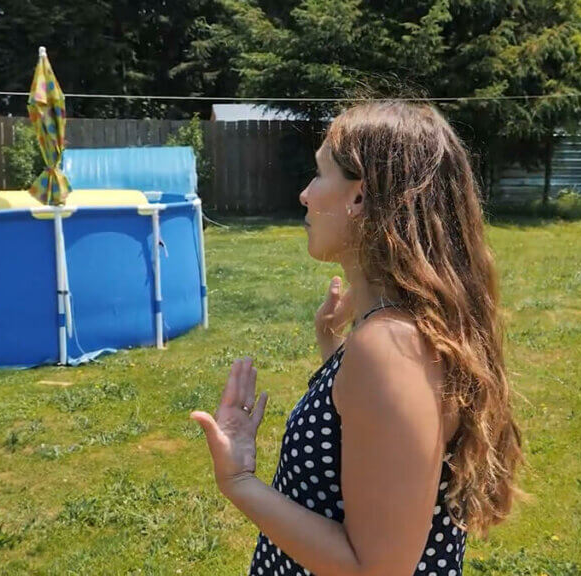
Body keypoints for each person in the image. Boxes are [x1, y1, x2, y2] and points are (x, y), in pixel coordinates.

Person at [191, 101, 523, 576]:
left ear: (361, 197)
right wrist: (333, 347)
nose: (305, 194)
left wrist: (240, 481)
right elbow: (367, 439)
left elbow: (377, 569)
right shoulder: (395, 336)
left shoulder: (389, 349)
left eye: (319, 173)